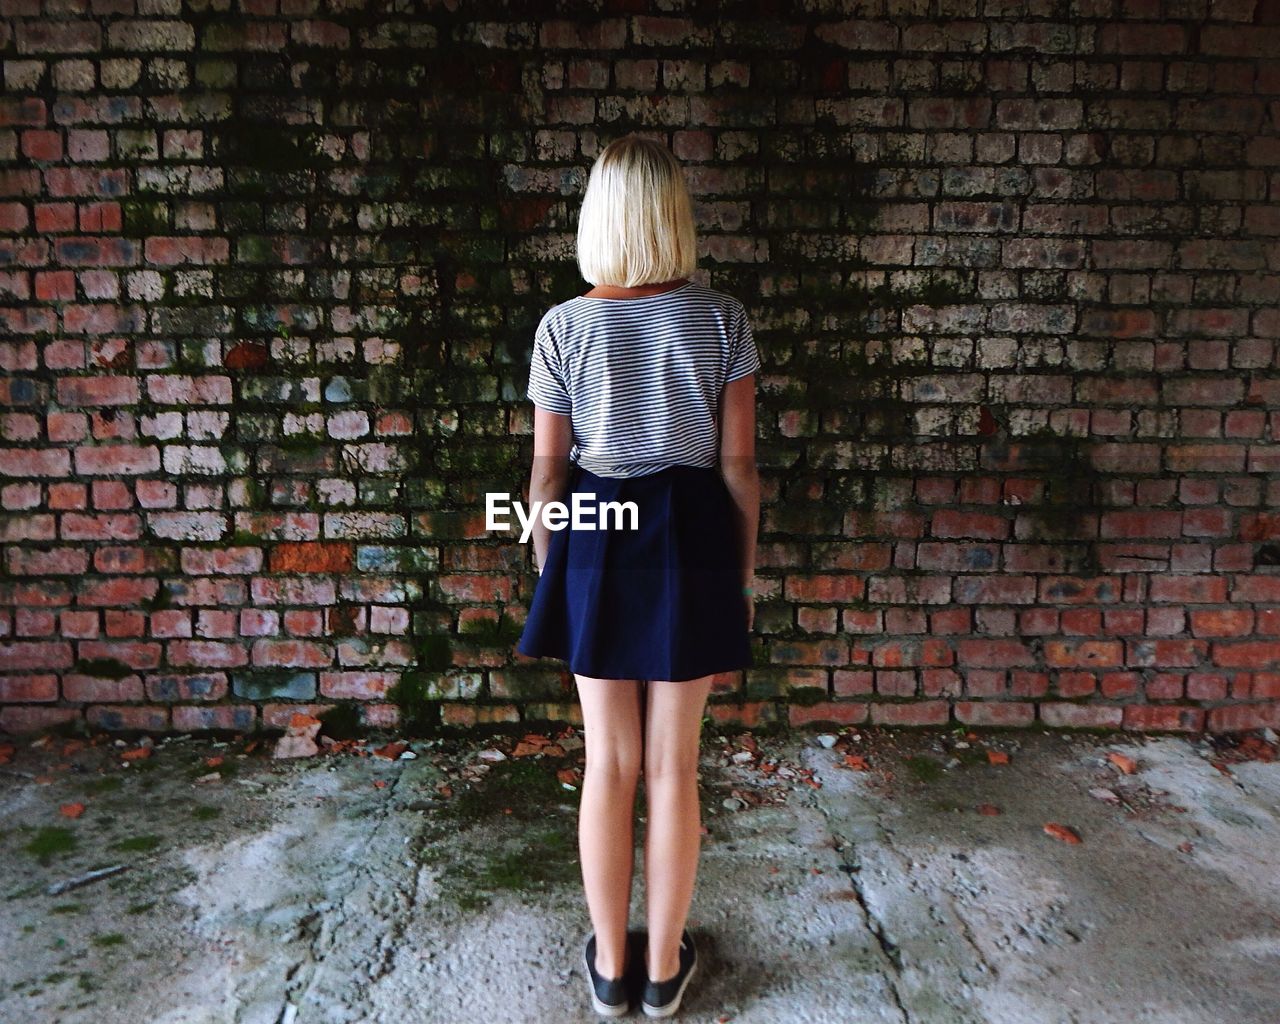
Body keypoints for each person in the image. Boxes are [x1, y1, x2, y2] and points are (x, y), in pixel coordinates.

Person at [514, 133, 761, 1018]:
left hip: (591, 531)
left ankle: (610, 971)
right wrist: (737, 577)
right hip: (690, 532)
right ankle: (664, 974)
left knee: (607, 761)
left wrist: (559, 572)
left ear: (600, 217)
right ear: (673, 216)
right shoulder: (722, 319)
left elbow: (547, 478)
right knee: (674, 765)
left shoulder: (562, 328)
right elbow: (738, 471)